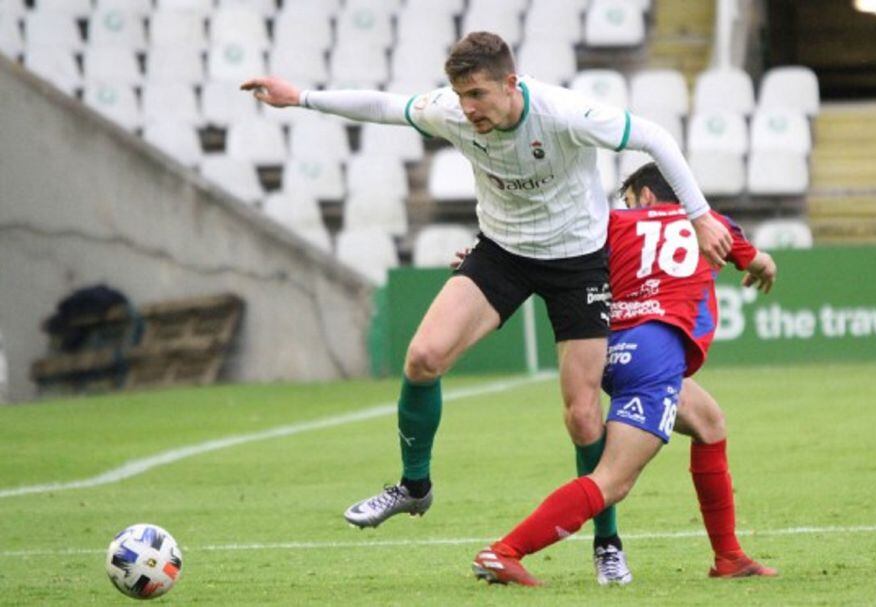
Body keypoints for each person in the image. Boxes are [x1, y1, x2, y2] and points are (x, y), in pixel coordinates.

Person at [241, 31, 733, 585]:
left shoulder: (566, 113)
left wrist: (700, 215)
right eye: (460, 95)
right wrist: (300, 96)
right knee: (423, 357)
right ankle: (414, 486)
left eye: (477, 94)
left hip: (577, 264)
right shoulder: (450, 111)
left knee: (582, 415)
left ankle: (607, 542)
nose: (467, 108)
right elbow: (383, 107)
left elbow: (654, 137)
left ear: (510, 84)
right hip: (503, 253)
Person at [471, 163, 778, 586]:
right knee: (612, 481)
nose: (627, 207)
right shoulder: (712, 224)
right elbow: (761, 262)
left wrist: (483, 264)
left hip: (609, 348)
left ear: (646, 196)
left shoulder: (609, 225)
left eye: (630, 198)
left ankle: (728, 556)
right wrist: (761, 269)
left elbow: (551, 257)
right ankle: (505, 550)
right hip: (656, 354)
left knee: (709, 422)